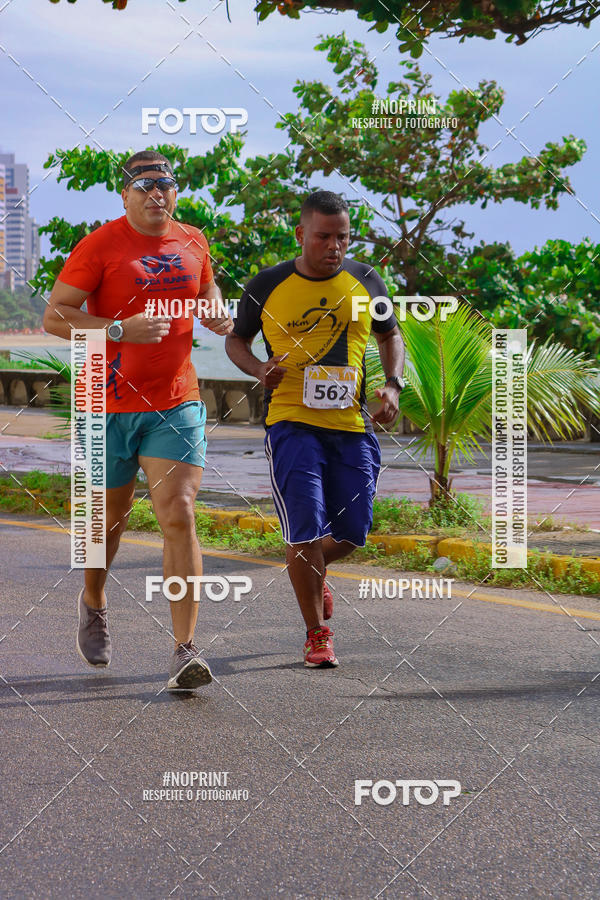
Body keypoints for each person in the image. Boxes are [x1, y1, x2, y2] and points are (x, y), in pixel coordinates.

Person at [43, 150, 233, 690]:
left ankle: (185, 650)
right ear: (125, 193)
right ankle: (95, 600)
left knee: (180, 513)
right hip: (105, 404)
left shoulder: (193, 240)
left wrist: (214, 310)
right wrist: (120, 330)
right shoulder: (100, 245)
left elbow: (206, 289)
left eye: (167, 185)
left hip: (174, 401)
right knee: (108, 523)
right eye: (146, 186)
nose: (158, 195)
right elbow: (55, 316)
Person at [225, 190, 405, 667]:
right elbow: (235, 341)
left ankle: (314, 570)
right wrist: (260, 368)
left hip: (350, 426)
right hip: (291, 423)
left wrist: (393, 384)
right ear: (301, 234)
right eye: (324, 236)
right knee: (303, 526)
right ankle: (315, 633)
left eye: (342, 237)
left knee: (353, 530)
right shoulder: (267, 284)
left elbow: (390, 336)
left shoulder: (367, 279)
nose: (334, 246)